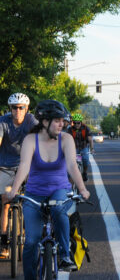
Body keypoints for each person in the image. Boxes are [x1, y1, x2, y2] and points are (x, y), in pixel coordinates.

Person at [6, 100, 90, 279]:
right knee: (31, 241)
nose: (62, 124)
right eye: (58, 121)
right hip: (34, 193)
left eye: (63, 121)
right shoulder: (30, 140)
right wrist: (14, 190)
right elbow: (24, 165)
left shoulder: (66, 139)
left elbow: (72, 166)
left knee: (59, 208)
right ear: (45, 122)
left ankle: (65, 255)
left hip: (59, 189)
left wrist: (82, 189)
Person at [0, 93, 37, 258]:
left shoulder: (31, 121)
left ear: (26, 108)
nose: (17, 111)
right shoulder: (3, 121)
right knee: (5, 200)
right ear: (10, 109)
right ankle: (3, 241)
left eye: (21, 107)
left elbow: (40, 137)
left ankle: (36, 234)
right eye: (14, 107)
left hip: (27, 165)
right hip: (5, 166)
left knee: (34, 199)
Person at [68, 113, 94, 181]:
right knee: (73, 162)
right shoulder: (70, 129)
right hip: (74, 148)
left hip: (84, 147)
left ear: (81, 122)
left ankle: (84, 173)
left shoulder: (86, 128)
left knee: (85, 160)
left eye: (78, 123)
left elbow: (90, 139)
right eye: (74, 123)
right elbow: (66, 140)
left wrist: (92, 148)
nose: (76, 124)